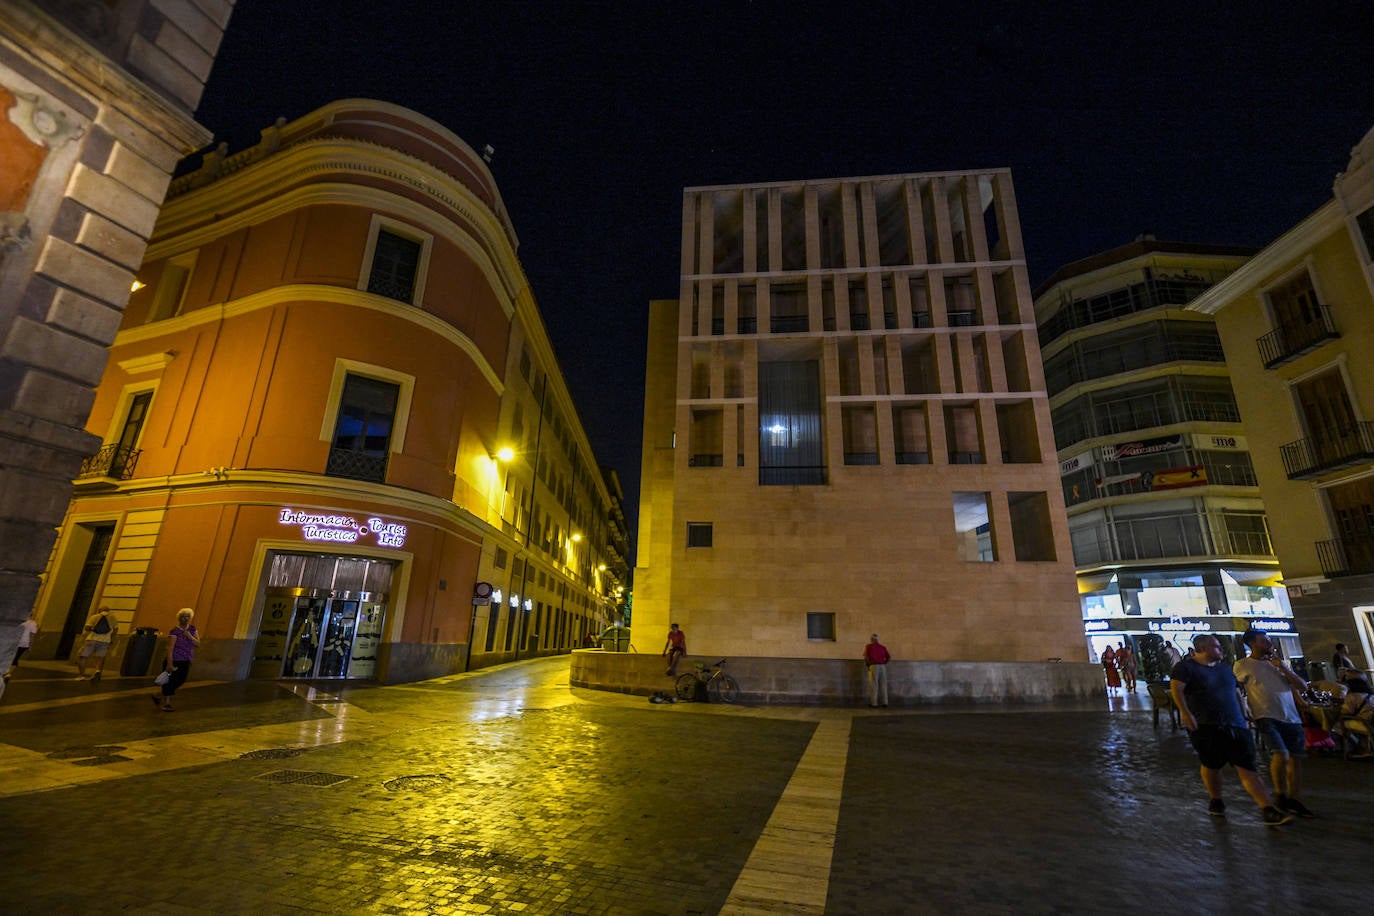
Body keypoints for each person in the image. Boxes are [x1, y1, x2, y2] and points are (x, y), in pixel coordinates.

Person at [1170, 634, 1292, 826]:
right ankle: (1216, 799)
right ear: (1203, 648)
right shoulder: (1186, 668)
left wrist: (1243, 716)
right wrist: (1186, 713)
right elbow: (1177, 689)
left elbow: (1235, 692)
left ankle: (1267, 808)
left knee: (1248, 767)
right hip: (1206, 725)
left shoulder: (1225, 669)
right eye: (1216, 647)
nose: (1221, 650)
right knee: (1211, 765)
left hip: (1235, 723)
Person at [1233, 630, 1315, 818]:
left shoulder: (1279, 664)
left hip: (1290, 716)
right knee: (1281, 754)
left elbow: (1302, 686)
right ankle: (1280, 794)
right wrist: (1242, 713)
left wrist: (1283, 668)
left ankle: (1294, 799)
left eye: (1268, 640)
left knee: (1295, 758)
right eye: (1264, 641)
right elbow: (1236, 689)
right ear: (1252, 644)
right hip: (1264, 714)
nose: (1268, 644)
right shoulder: (1242, 665)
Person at [151, 608, 200, 711]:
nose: (186, 619)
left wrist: (190, 636)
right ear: (179, 618)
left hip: (186, 659)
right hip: (175, 659)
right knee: (170, 681)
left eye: (188, 616)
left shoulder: (192, 629)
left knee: (181, 680)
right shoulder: (175, 631)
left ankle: (158, 695)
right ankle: (167, 703)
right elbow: (170, 648)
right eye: (183, 616)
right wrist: (169, 663)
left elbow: (198, 644)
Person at [76, 606, 118, 681]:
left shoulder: (94, 617)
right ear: (108, 611)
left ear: (99, 610)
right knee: (100, 657)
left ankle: (81, 675)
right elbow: (115, 630)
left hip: (92, 639)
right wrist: (111, 638)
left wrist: (93, 629)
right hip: (105, 641)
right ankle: (97, 671)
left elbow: (87, 628)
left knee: (83, 656)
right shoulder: (113, 618)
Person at [5, 611, 39, 682]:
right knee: (16, 657)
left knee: (10, 656)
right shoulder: (33, 623)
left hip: (15, 641)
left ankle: (7, 671)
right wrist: (30, 646)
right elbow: (32, 636)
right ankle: (9, 673)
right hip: (24, 643)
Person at [863, 634, 890, 708]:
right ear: (878, 639)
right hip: (883, 667)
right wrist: (883, 663)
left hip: (874, 666)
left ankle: (874, 703)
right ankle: (885, 702)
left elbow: (866, 657)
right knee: (883, 684)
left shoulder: (868, 646)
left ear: (872, 639)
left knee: (874, 685)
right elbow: (888, 657)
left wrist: (868, 665)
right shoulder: (883, 647)